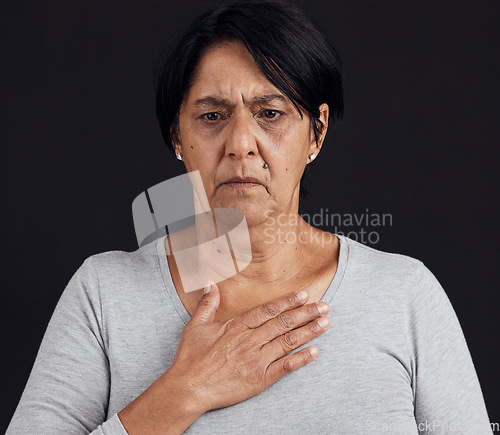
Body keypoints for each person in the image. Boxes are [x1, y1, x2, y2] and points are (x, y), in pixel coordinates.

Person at [7, 1, 493, 434]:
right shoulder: (104, 295)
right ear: (178, 136)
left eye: (271, 113)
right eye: (212, 116)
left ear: (316, 133)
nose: (240, 143)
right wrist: (186, 390)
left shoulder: (404, 295)